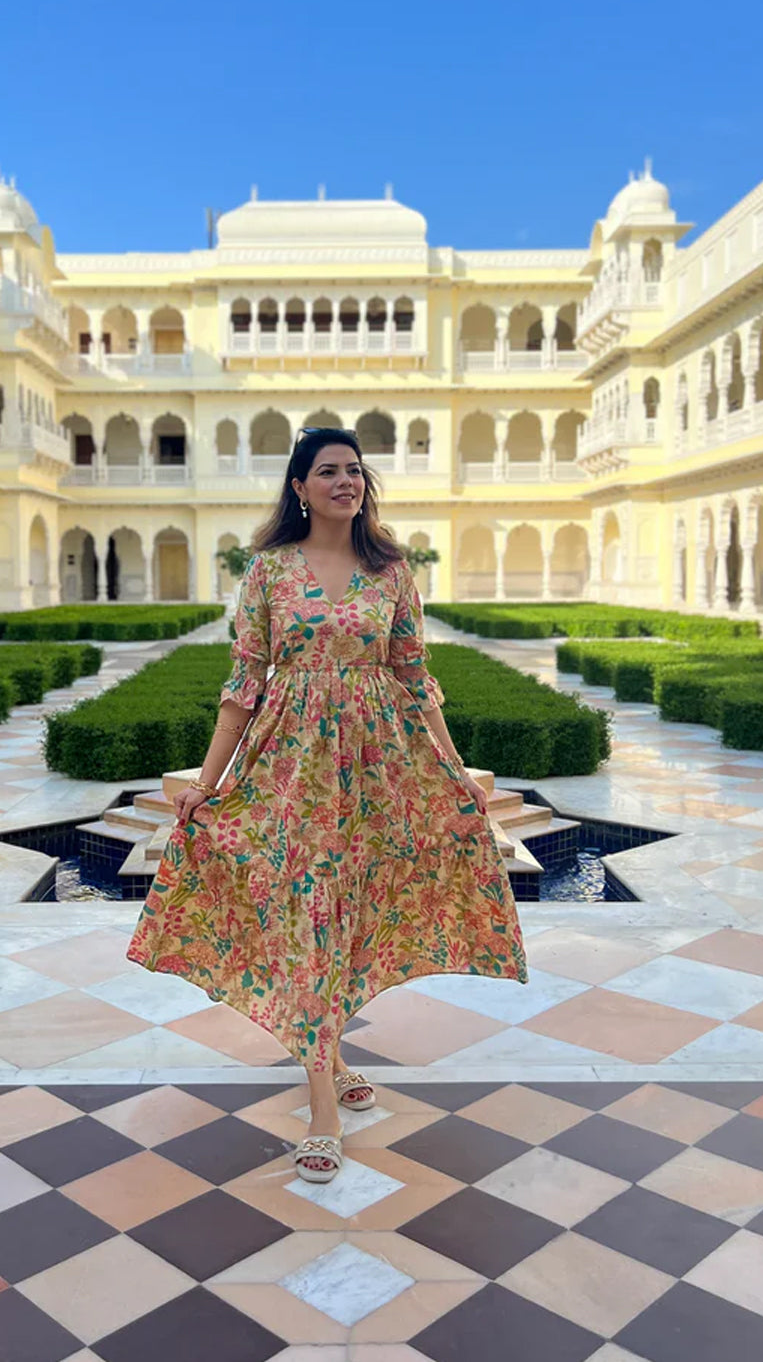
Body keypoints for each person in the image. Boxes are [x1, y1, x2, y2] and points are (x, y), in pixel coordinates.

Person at [127, 427, 528, 1181]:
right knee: (309, 911)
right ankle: (322, 1105)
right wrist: (209, 785)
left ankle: (329, 1050)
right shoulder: (271, 571)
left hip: (380, 769)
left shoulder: (391, 570)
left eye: (354, 470)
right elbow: (244, 683)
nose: (345, 481)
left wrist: (455, 772)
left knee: (352, 909)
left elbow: (415, 675)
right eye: (328, 472)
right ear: (301, 489)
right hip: (293, 769)